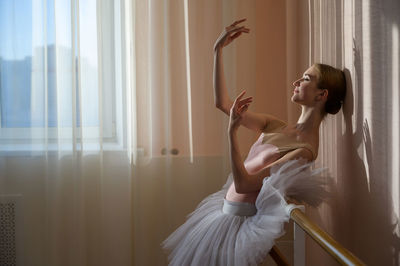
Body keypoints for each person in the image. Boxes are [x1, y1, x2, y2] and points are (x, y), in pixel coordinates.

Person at [162, 18, 346, 266]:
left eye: (305, 79)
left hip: (240, 228)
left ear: (321, 95)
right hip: (222, 217)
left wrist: (231, 134)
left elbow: (244, 183)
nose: (296, 82)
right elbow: (224, 104)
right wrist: (217, 50)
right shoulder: (275, 124)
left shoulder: (304, 151)